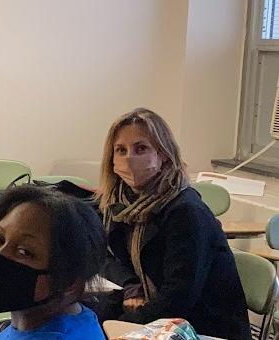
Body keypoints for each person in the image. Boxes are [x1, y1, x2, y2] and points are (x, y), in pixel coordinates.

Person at [94, 108, 248, 339]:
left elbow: (178, 299)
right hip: (156, 315)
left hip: (202, 327)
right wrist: (130, 286)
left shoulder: (186, 212)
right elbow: (105, 255)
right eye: (121, 150)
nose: (129, 158)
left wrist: (116, 324)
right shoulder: (120, 205)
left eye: (141, 148)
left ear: (163, 154)